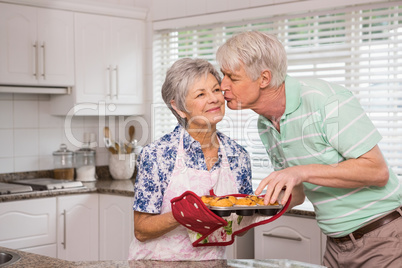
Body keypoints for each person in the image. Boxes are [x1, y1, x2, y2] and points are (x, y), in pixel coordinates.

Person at [216, 31, 402, 267]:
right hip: (335, 245)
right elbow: (297, 193)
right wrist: (249, 212)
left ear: (264, 78)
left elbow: (376, 171)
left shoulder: (325, 100)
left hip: (383, 238)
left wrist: (300, 171)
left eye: (232, 77)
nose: (222, 85)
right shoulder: (265, 124)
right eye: (223, 75)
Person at [128, 58, 252, 260]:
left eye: (215, 90)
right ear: (179, 107)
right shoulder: (157, 154)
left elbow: (242, 226)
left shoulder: (238, 155)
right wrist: (182, 214)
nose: (214, 99)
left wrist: (269, 206)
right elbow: (141, 230)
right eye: (201, 94)